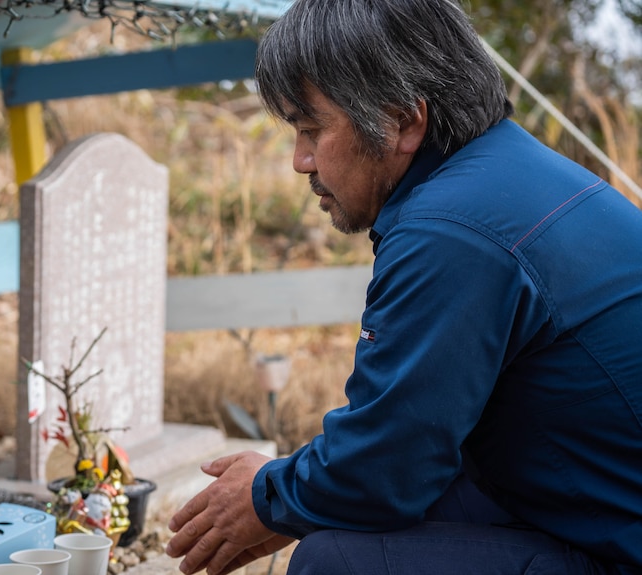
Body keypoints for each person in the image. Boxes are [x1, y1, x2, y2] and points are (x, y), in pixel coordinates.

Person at [164, 0, 642, 574]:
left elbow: (386, 468)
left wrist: (267, 496)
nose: (300, 160)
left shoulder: (451, 231)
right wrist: (298, 500)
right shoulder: (506, 173)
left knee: (336, 562)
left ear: (404, 121)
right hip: (595, 504)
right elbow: (409, 445)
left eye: (312, 128)